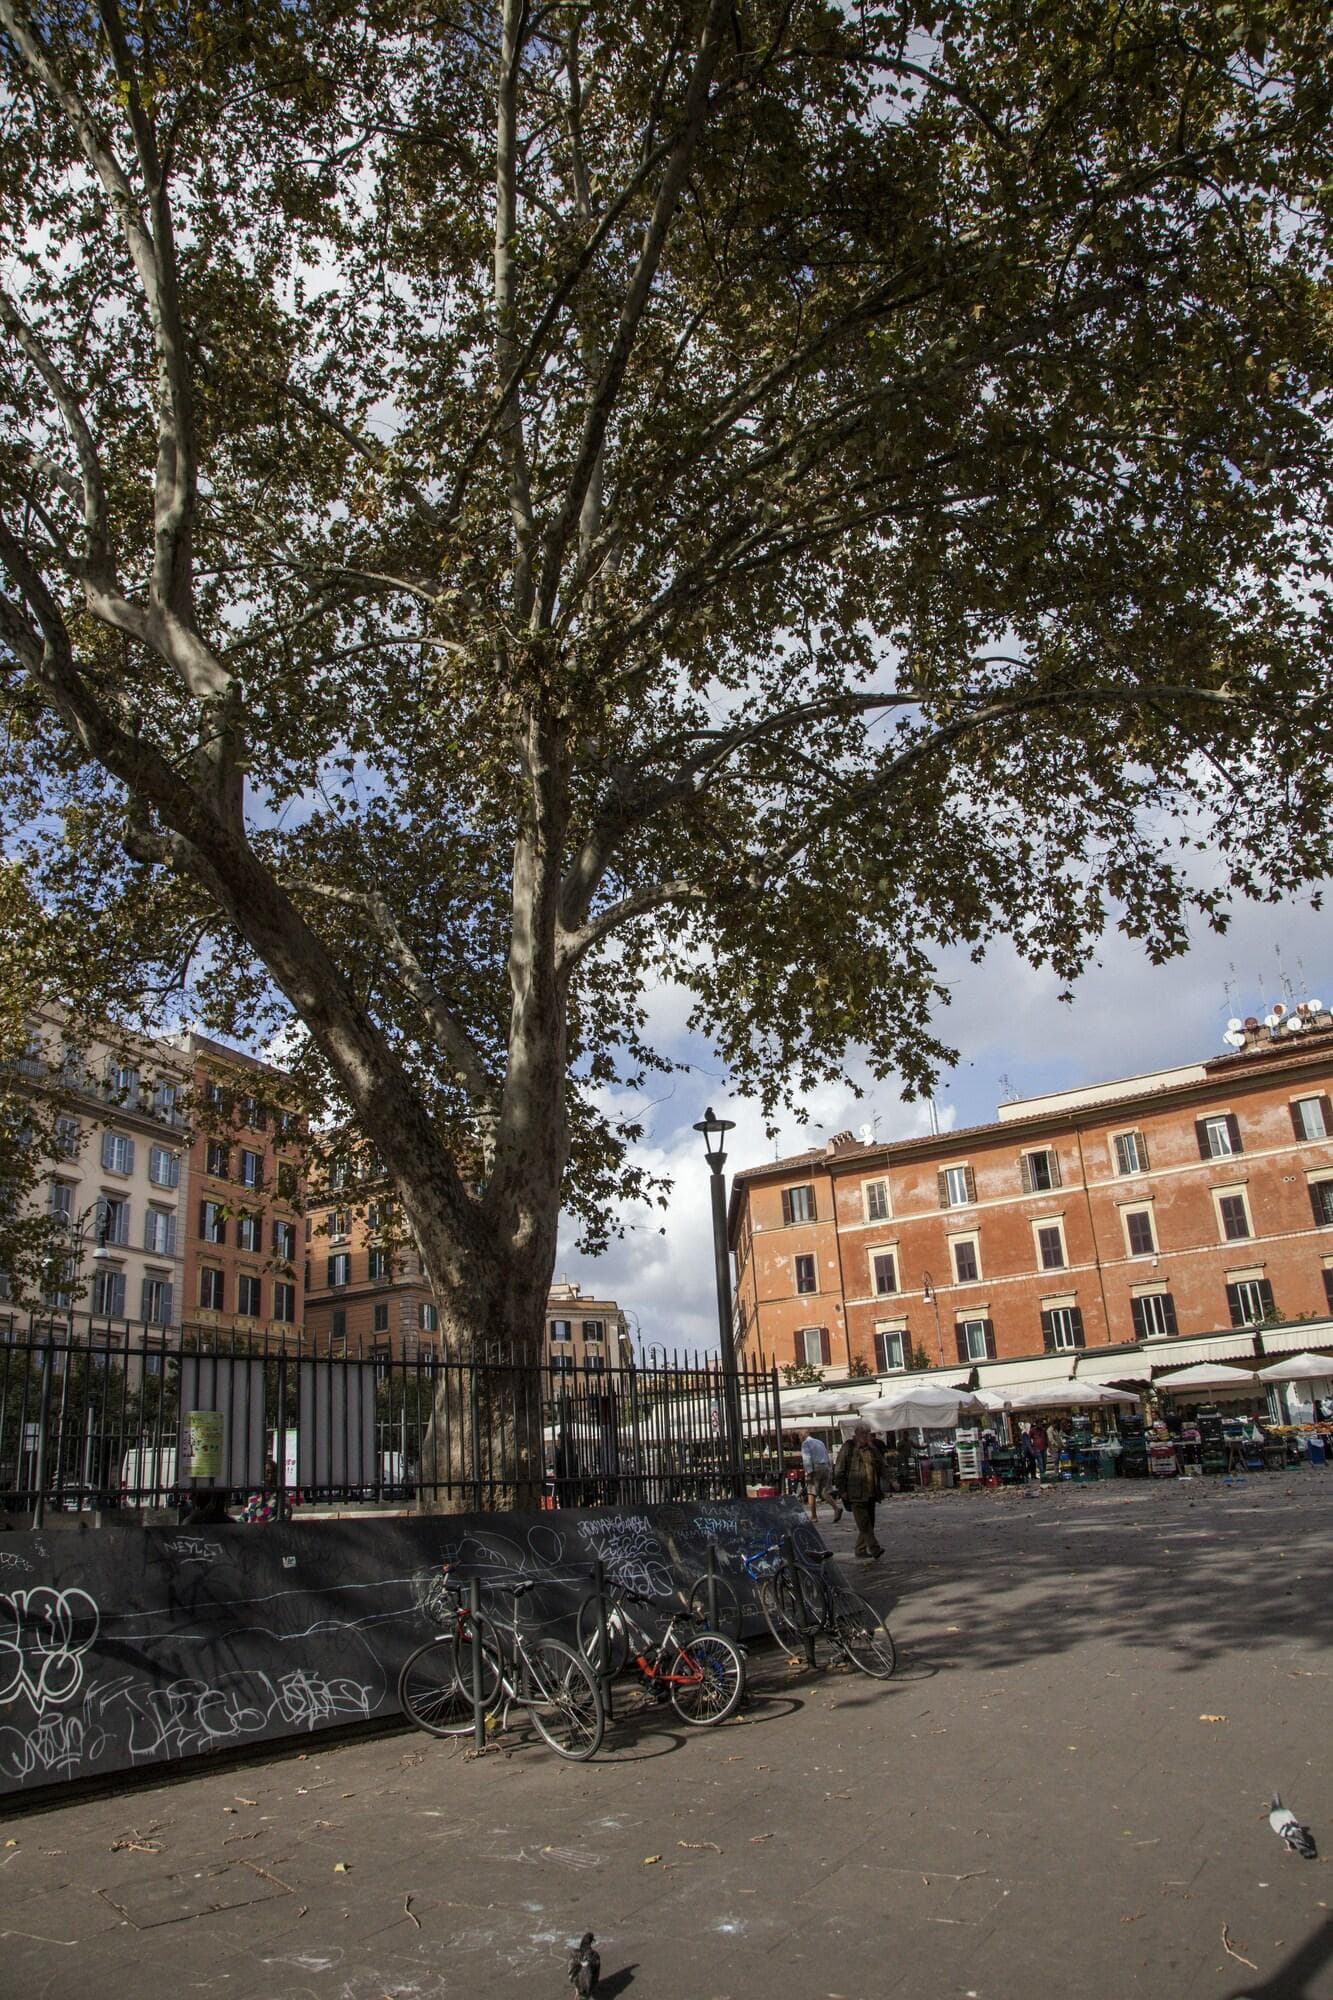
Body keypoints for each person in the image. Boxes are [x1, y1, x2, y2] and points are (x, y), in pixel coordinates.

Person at [833, 1423, 886, 1559]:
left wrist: (892, 1481)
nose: (868, 1437)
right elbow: (839, 1470)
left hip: (871, 1492)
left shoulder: (872, 1449)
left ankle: (860, 1549)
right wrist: (842, 1489)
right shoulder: (849, 1448)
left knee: (870, 1522)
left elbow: (882, 1465)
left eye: (869, 1434)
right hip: (855, 1493)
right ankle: (875, 1549)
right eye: (865, 1434)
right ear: (857, 1434)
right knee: (864, 1523)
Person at [801, 1432, 842, 1523]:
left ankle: (814, 1516)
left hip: (815, 1468)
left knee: (811, 1492)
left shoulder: (805, 1443)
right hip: (825, 1467)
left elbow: (807, 1458)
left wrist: (809, 1473)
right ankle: (836, 1508)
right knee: (825, 1492)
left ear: (802, 1436)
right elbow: (827, 1456)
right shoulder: (820, 1442)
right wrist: (830, 1469)